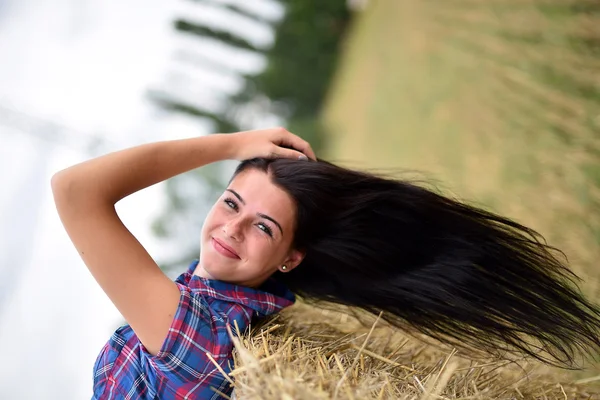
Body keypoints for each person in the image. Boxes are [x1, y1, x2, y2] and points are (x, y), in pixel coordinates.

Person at [52, 127, 600, 399]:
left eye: (264, 227)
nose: (232, 229)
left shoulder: (202, 337)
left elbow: (74, 191)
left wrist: (235, 144)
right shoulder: (200, 302)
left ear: (290, 258)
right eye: (232, 203)